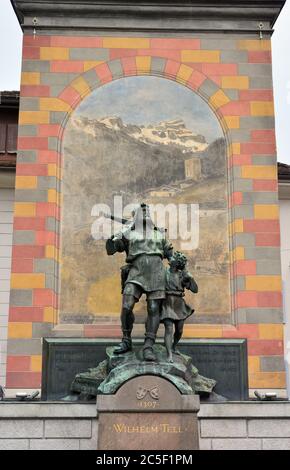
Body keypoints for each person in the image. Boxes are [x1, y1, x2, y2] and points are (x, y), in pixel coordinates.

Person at [106, 203, 173, 361]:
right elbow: (111, 250)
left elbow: (171, 256)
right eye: (142, 211)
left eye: (147, 210)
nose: (146, 211)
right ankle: (126, 340)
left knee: (153, 307)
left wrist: (180, 271)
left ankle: (148, 346)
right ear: (135, 215)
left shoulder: (160, 234)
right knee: (126, 305)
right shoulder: (128, 233)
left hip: (157, 273)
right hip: (136, 271)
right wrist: (118, 234)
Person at [160, 251, 198, 362]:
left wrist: (191, 278)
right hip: (167, 302)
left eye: (174, 257)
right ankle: (169, 354)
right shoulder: (163, 271)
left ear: (177, 263)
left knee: (179, 330)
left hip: (179, 303)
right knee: (169, 328)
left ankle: (174, 346)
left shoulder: (182, 275)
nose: (171, 258)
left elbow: (195, 290)